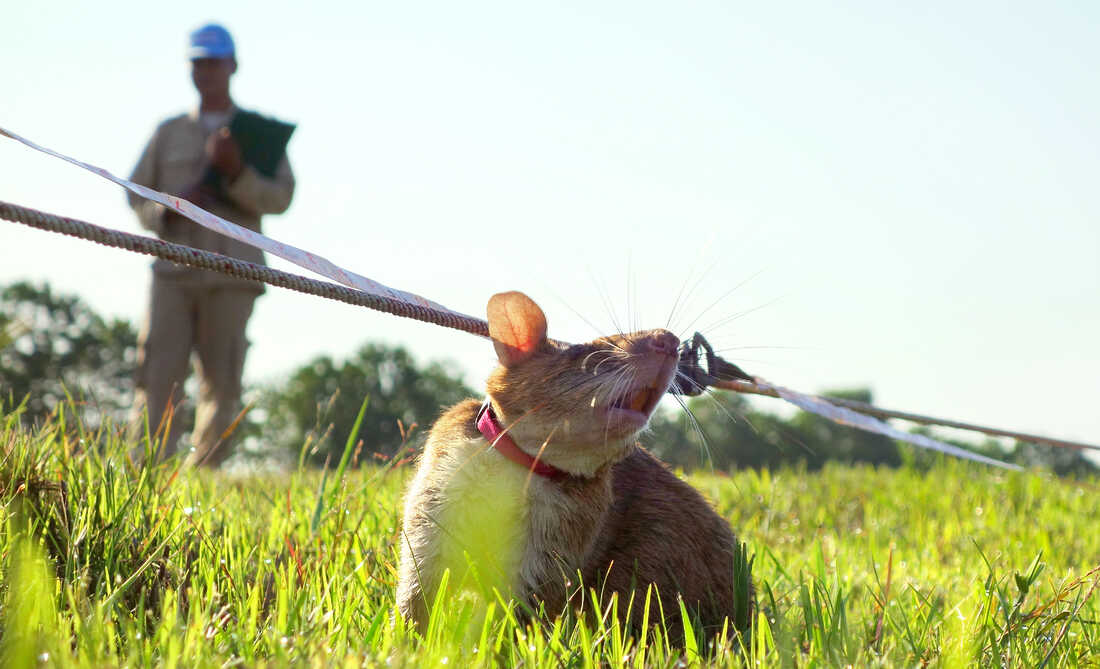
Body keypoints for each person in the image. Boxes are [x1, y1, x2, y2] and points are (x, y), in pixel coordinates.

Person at [128, 23, 295, 466]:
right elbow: (135, 192)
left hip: (232, 275)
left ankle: (204, 479)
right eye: (198, 62)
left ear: (232, 65)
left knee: (222, 382)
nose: (205, 70)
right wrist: (166, 210)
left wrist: (237, 172)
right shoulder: (168, 133)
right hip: (172, 272)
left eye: (213, 61)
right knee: (158, 375)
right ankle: (147, 476)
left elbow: (281, 197)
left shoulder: (255, 131)